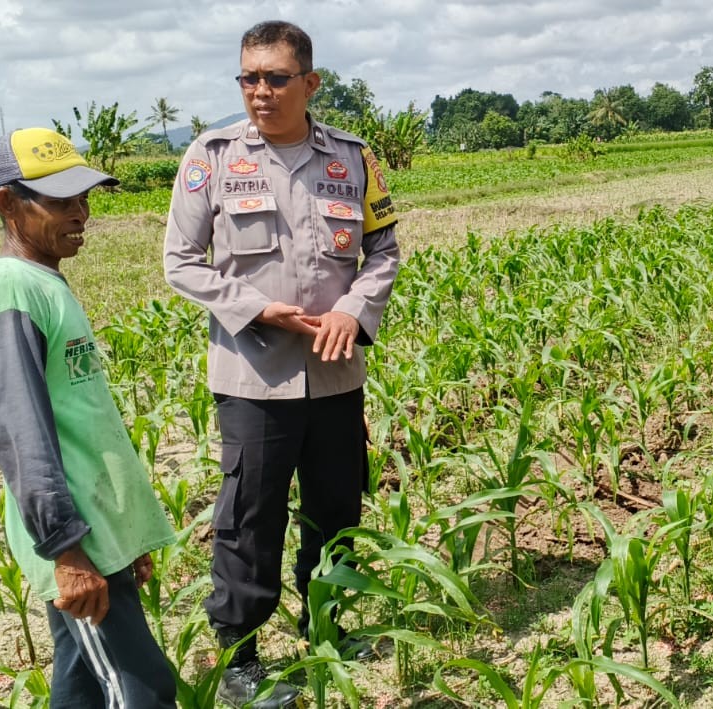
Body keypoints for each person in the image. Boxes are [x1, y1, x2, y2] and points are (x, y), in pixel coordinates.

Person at [163, 20, 400, 709]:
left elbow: (382, 252)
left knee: (335, 508)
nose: (259, 92)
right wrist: (256, 308)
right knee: (249, 516)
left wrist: (354, 309)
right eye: (248, 78)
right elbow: (180, 263)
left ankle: (328, 620)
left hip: (334, 374)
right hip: (252, 376)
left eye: (275, 78)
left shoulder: (352, 161)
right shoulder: (210, 157)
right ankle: (239, 655)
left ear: (310, 83)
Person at [0, 127, 177, 709]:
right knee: (143, 690)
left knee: (81, 685)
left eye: (85, 197)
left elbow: (82, 422)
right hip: (77, 541)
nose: (81, 212)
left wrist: (125, 535)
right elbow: (20, 432)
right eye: (61, 201)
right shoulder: (11, 291)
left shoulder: (42, 282)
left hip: (97, 534)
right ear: (8, 203)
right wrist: (67, 550)